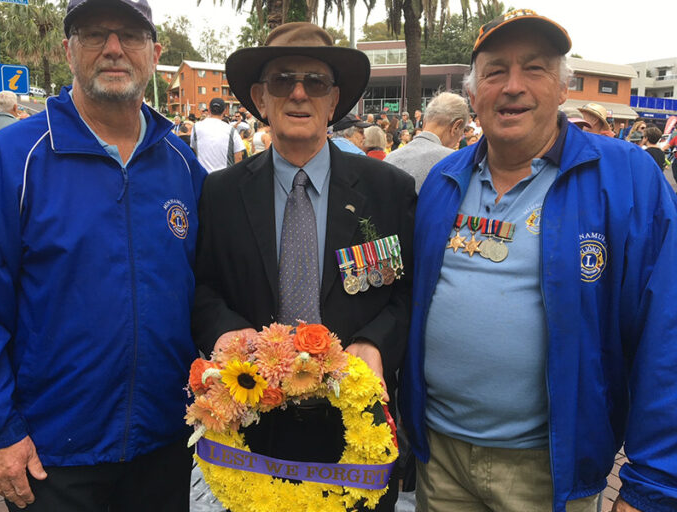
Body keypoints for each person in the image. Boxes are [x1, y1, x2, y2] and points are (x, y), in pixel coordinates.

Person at [0, 0, 207, 510]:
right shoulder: (14, 159)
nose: (114, 49)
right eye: (96, 34)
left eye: (130, 35)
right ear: (68, 50)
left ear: (154, 52)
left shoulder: (182, 166)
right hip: (48, 456)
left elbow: (206, 292)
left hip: (165, 446)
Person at [399, 9, 677, 512]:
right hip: (440, 461)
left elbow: (668, 329)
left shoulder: (626, 176)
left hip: (550, 471)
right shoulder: (444, 181)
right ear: (474, 93)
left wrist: (654, 482)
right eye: (495, 71)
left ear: (562, 87)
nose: (513, 86)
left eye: (535, 68)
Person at [193, 22, 415, 512]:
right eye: (281, 81)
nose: (298, 93)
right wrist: (228, 332)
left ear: (334, 100)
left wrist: (374, 343)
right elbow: (204, 287)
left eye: (314, 81)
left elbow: (405, 293)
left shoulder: (388, 190)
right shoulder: (222, 193)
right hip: (253, 427)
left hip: (357, 427)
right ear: (260, 97)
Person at [385, 91, 469, 192]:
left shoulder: (390, 158)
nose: (458, 140)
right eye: (461, 133)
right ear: (456, 127)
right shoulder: (454, 163)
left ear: (424, 122)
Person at [191, 97, 244, 172]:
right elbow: (238, 157)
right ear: (224, 111)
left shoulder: (196, 127)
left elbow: (195, 148)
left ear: (209, 110)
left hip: (203, 176)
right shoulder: (231, 130)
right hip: (224, 177)